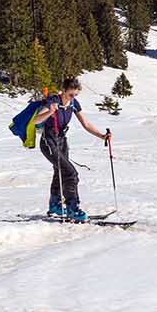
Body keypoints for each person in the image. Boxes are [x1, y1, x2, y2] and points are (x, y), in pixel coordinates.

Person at [30, 76, 110, 222]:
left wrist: (102, 136)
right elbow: (36, 120)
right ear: (64, 91)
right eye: (70, 94)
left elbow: (85, 123)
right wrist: (49, 112)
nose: (73, 97)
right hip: (48, 142)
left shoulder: (73, 103)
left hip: (61, 141)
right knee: (71, 173)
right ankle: (73, 208)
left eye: (75, 95)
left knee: (59, 172)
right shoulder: (53, 101)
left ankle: (55, 204)